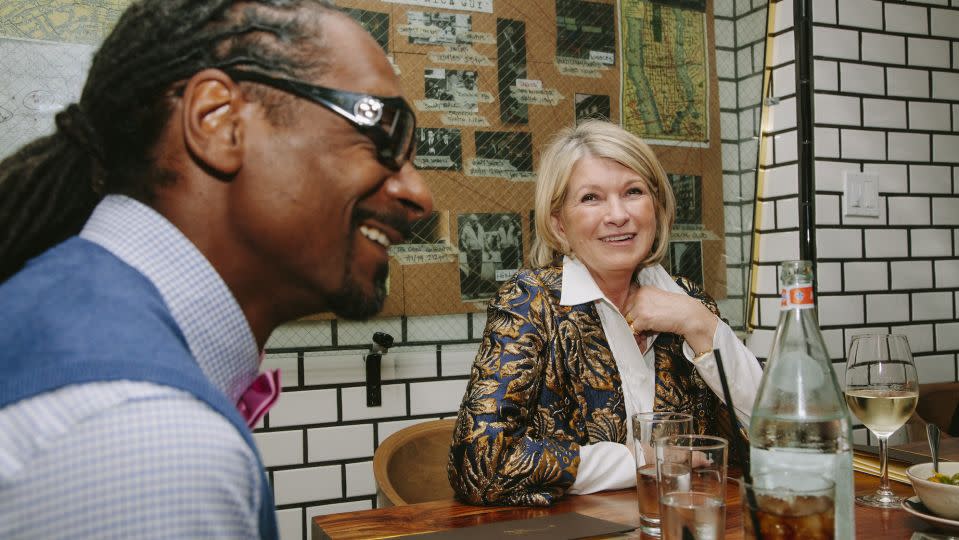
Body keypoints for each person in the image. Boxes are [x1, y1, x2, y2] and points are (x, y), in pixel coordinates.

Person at [0, 1, 432, 538]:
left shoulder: (73, 315)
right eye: (382, 131)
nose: (419, 195)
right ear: (217, 121)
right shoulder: (146, 440)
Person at [447, 120, 760, 506]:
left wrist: (698, 323)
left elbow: (777, 436)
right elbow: (478, 465)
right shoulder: (531, 302)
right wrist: (641, 460)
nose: (617, 215)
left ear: (656, 207)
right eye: (591, 198)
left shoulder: (690, 302)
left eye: (633, 192)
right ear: (559, 223)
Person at [459, 214, 485, 297]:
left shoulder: (480, 227)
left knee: (478, 271)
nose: (476, 222)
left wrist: (486, 248)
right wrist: (467, 249)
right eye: (474, 221)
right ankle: (469, 290)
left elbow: (483, 238)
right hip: (471, 251)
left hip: (479, 251)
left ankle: (476, 292)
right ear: (470, 221)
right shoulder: (466, 228)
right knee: (473, 270)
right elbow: (462, 239)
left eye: (476, 220)